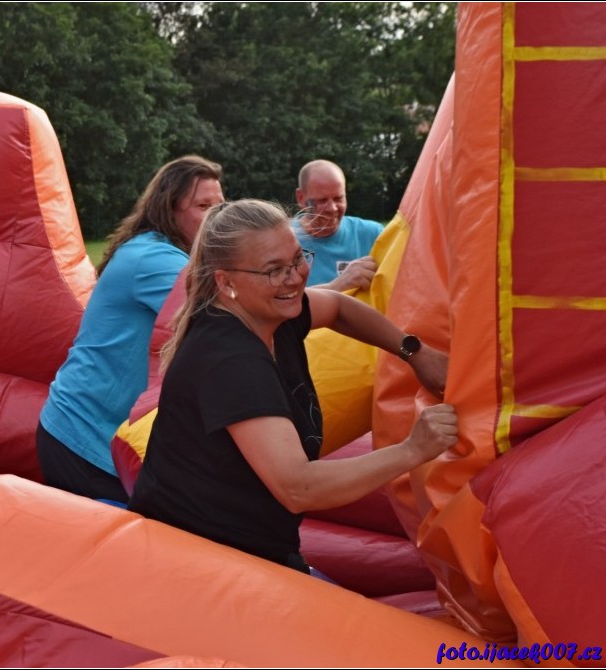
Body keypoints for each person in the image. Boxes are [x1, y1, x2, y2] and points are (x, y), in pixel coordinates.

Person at [127, 199, 456, 576]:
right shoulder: (230, 362)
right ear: (225, 282)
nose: (296, 277)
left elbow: (337, 307)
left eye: (299, 258)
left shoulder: (274, 314)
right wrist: (415, 449)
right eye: (274, 270)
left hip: (246, 546)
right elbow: (299, 488)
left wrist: (413, 352)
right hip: (203, 560)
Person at [38, 156, 225, 502]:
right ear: (170, 208)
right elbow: (231, 306)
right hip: (85, 438)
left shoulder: (164, 253)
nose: (218, 218)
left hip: (96, 433)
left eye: (220, 206)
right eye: (204, 206)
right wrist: (334, 297)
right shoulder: (153, 259)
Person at [292, 159, 384, 292]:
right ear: (301, 198)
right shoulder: (282, 241)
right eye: (322, 200)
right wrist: (337, 286)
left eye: (338, 198)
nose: (332, 208)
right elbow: (279, 303)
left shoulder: (374, 235)